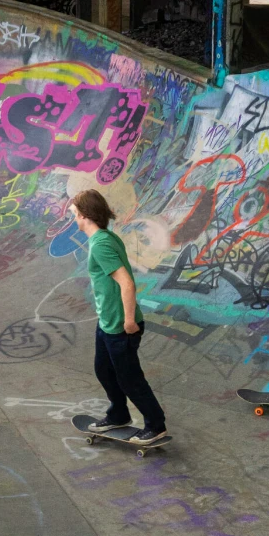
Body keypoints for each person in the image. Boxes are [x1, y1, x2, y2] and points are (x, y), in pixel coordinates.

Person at [68, 188, 168, 447]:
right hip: (107, 322)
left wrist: (129, 321)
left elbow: (127, 283)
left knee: (129, 378)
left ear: (85, 215)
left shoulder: (101, 244)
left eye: (75, 214)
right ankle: (119, 414)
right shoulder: (105, 238)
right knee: (104, 370)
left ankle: (156, 425)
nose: (74, 219)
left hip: (121, 325)